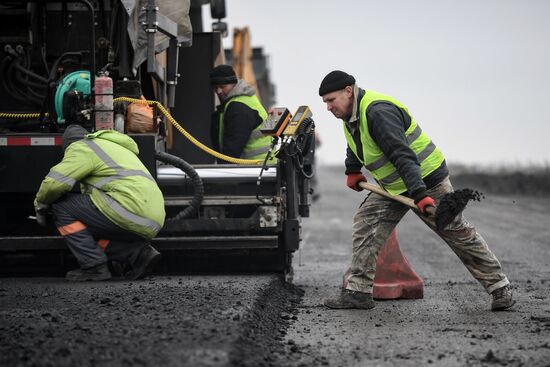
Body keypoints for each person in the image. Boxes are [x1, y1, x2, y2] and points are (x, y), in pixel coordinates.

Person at [318, 70, 514, 311]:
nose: (328, 107)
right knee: (367, 221)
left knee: (455, 230)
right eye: (325, 102)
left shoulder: (378, 112)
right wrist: (352, 169)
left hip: (427, 181)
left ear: (349, 91)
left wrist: (420, 195)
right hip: (395, 186)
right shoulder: (350, 115)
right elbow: (356, 143)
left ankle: (499, 287)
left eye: (330, 100)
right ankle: (358, 293)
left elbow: (404, 156)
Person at [34, 125, 165, 281]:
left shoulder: (82, 147)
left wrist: (41, 206)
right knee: (82, 227)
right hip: (151, 217)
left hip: (128, 209)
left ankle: (94, 267)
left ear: (69, 144)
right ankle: (138, 254)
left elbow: (54, 184)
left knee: (61, 207)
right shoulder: (112, 147)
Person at [210, 64, 273, 162]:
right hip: (262, 167)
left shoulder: (238, 108)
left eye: (222, 86)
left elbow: (231, 153)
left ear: (233, 84)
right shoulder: (246, 98)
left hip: (254, 170)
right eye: (215, 87)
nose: (218, 91)